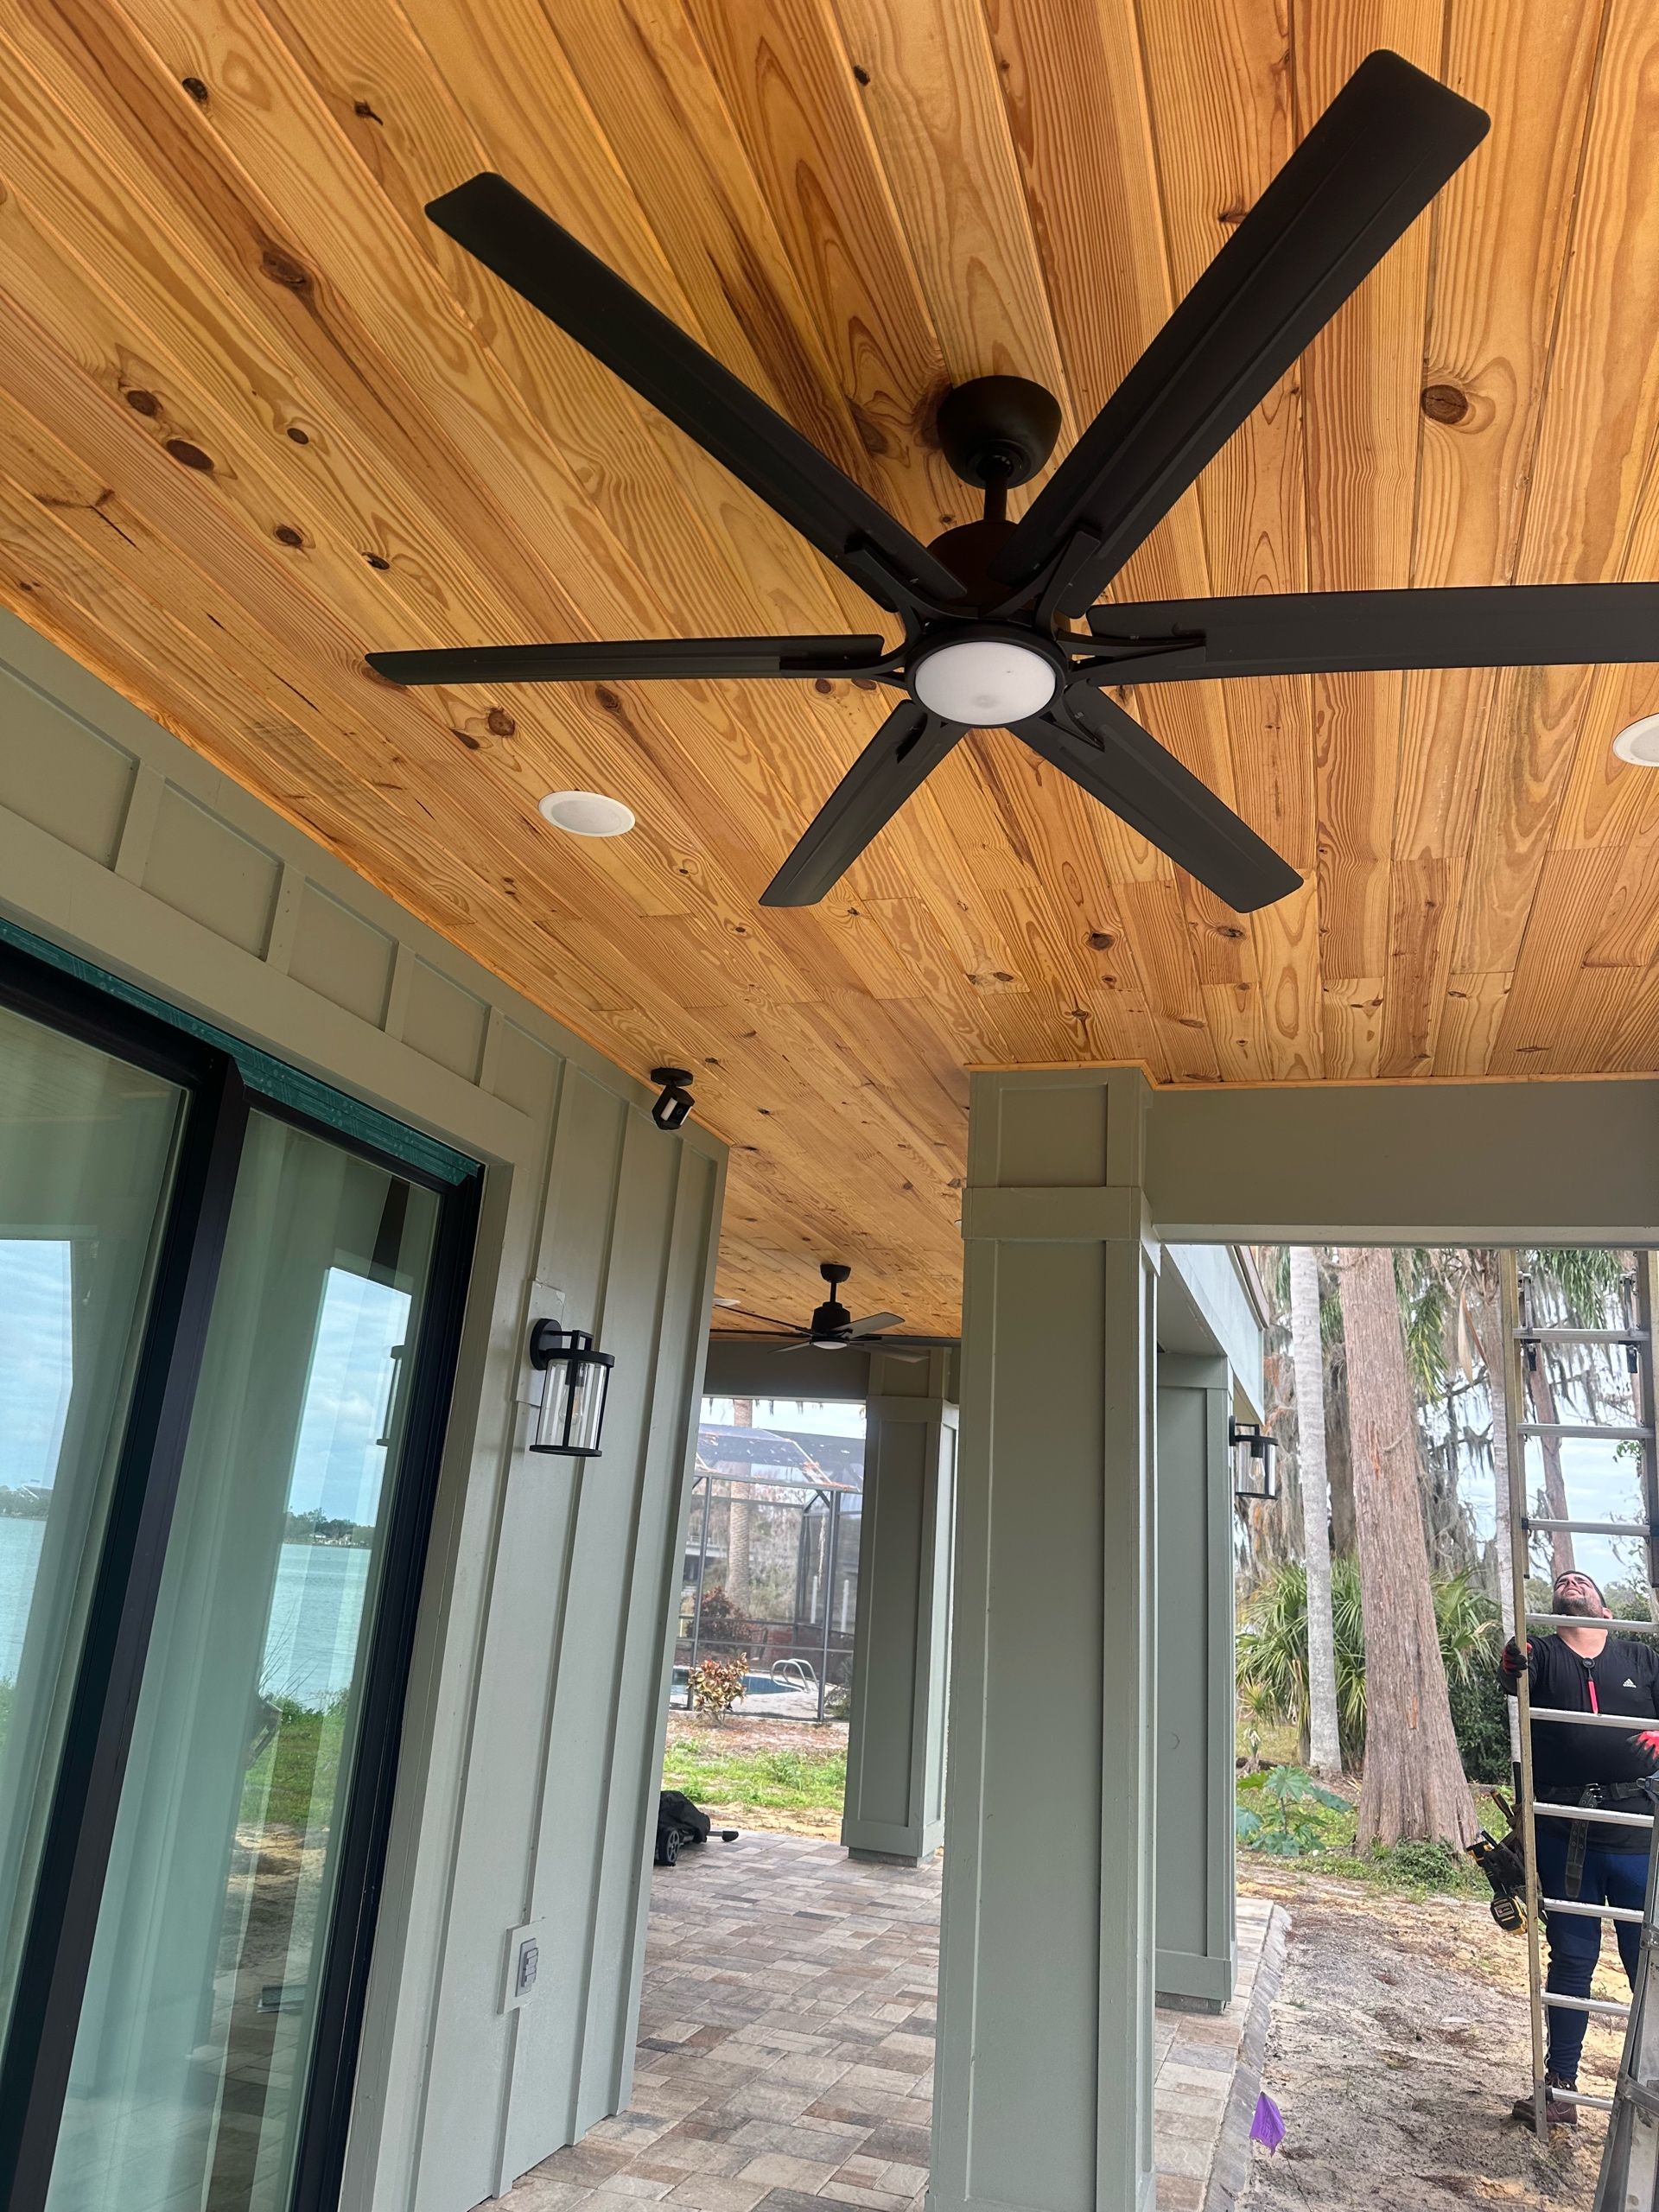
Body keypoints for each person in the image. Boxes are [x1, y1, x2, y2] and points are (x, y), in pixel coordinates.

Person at [1501, 1568, 1659, 2125]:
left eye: (1584, 1580)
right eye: (1562, 1581)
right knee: (1572, 1957)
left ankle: (1654, 2083)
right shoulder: (1540, 1651)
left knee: (1649, 1960)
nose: (1571, 1581)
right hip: (1565, 1830)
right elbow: (1511, 1674)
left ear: (1607, 1611)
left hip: (1636, 1833)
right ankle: (1561, 2087)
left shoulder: (1640, 1659)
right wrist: (1512, 1660)